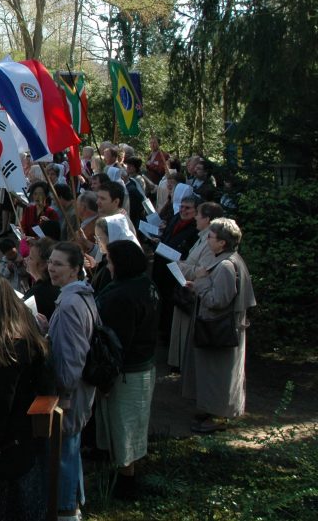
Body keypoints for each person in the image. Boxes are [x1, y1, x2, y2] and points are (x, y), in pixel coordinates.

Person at [0, 272, 53, 521]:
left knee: (5, 507)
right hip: (24, 436)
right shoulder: (24, 330)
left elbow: (0, 399)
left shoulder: (4, 345)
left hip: (7, 442)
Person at [93, 239, 158, 500]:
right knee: (125, 426)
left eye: (109, 261)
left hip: (128, 372)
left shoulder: (122, 296)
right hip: (140, 366)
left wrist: (107, 379)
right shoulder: (145, 284)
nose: (107, 266)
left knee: (125, 429)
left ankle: (126, 483)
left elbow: (117, 342)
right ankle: (122, 473)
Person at [182, 218, 256, 434]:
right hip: (219, 329)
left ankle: (219, 416)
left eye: (211, 237)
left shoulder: (225, 265)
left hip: (220, 331)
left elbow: (217, 300)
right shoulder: (228, 259)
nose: (208, 241)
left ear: (222, 243)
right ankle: (212, 409)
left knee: (220, 375)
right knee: (212, 373)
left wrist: (201, 282)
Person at [46, 241, 97, 521]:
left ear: (76, 269)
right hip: (78, 391)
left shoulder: (69, 304)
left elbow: (71, 358)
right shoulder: (81, 296)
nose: (52, 269)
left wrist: (62, 393)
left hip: (69, 394)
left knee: (64, 451)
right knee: (71, 448)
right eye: (51, 262)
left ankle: (67, 510)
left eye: (59, 264)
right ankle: (74, 502)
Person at [169, 201, 224, 373]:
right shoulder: (203, 236)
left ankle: (185, 367)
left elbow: (203, 271)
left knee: (187, 334)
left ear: (207, 219)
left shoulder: (210, 241)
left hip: (194, 293)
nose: (195, 218)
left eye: (198, 215)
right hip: (186, 290)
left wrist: (181, 265)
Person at [151, 193, 202, 347]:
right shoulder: (175, 219)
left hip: (176, 273)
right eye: (181, 206)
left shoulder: (195, 229)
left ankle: (168, 338)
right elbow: (168, 237)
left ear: (196, 211)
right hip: (161, 267)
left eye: (188, 208)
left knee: (170, 305)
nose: (183, 210)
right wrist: (159, 241)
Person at [24, 237, 59, 319]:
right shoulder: (61, 284)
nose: (26, 259)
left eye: (31, 258)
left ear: (43, 265)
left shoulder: (37, 294)